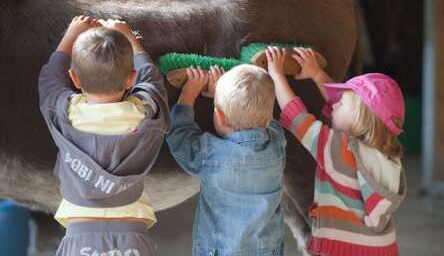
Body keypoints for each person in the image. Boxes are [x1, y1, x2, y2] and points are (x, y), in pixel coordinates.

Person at [39, 15, 170, 256]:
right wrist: (129, 36)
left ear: (75, 78)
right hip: (134, 236)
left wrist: (71, 34)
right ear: (131, 79)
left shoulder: (65, 112)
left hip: (79, 236)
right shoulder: (143, 113)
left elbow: (49, 78)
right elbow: (152, 81)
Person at [266, 46, 407, 256]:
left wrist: (276, 75)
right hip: (381, 248)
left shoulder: (338, 149)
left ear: (359, 119)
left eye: (340, 105)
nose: (333, 106)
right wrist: (316, 74)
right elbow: (349, 107)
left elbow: (297, 117)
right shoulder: (388, 155)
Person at [166, 64, 286, 256]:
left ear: (218, 116)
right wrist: (226, 100)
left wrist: (189, 94)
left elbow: (179, 135)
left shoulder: (210, 155)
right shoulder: (276, 144)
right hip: (267, 250)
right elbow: (269, 122)